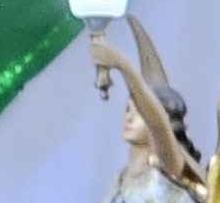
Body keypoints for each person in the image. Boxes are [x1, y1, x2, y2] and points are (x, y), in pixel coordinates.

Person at [88, 21, 205, 203]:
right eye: (128, 109)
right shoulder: (120, 180)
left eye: (140, 113)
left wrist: (122, 64)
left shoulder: (168, 167)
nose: (129, 117)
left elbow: (158, 126)